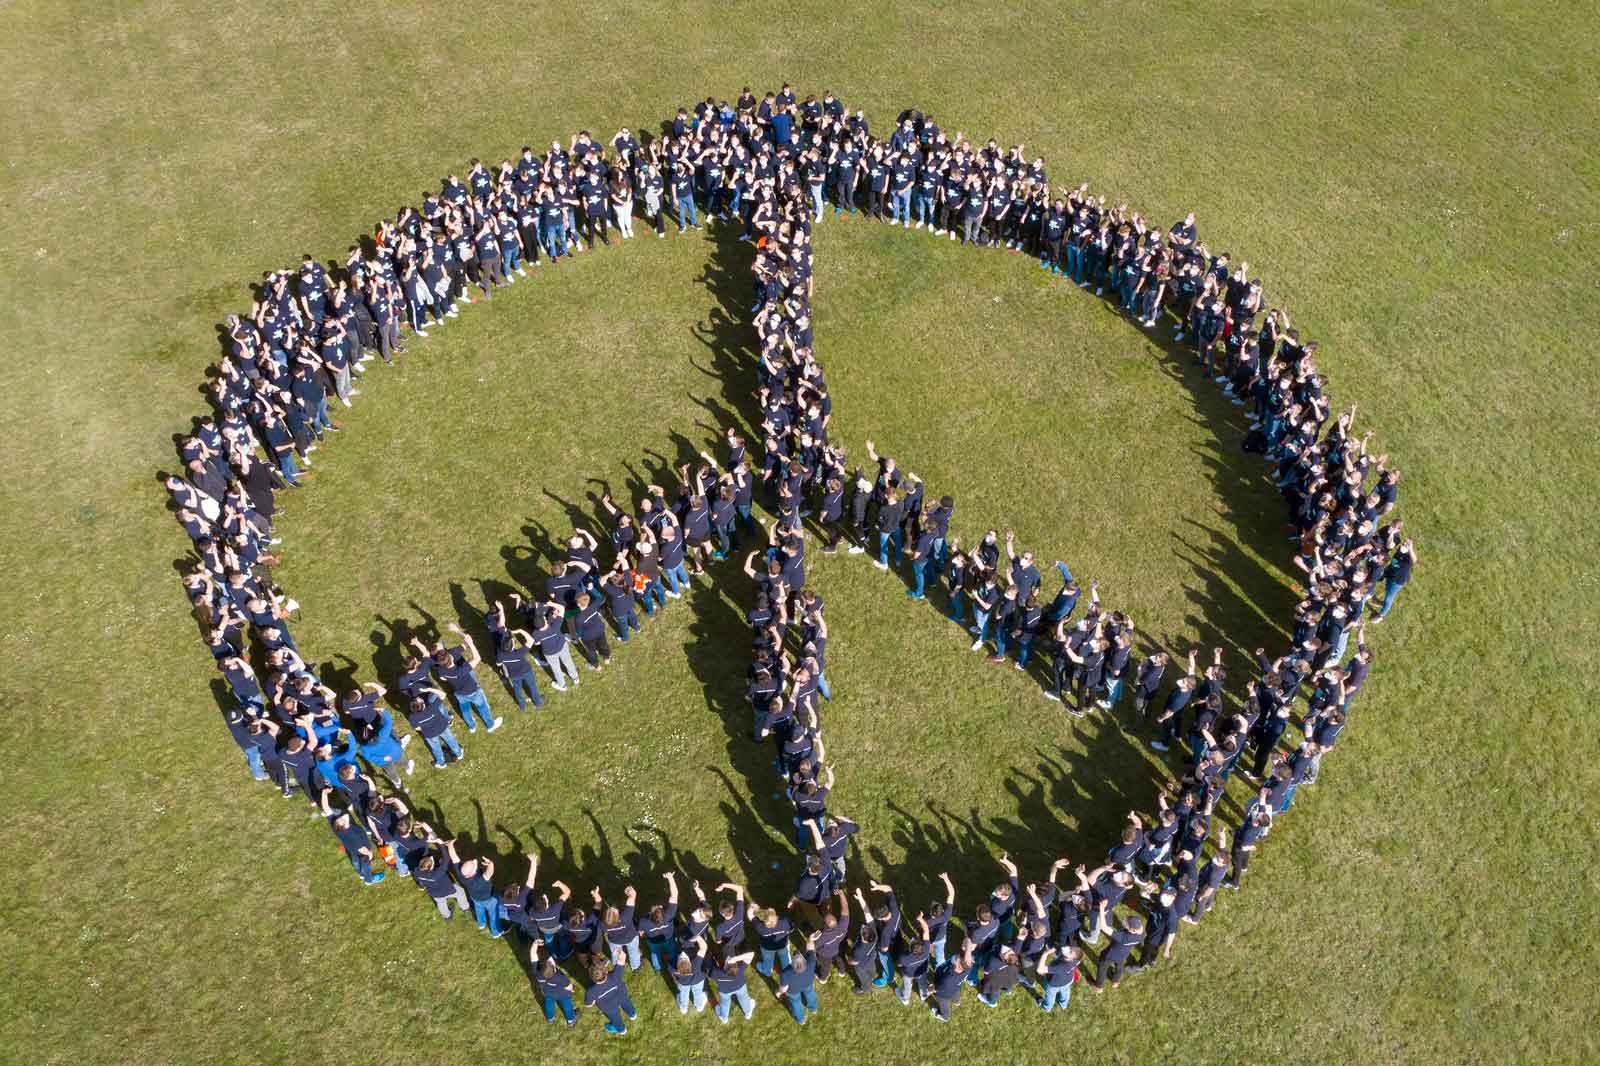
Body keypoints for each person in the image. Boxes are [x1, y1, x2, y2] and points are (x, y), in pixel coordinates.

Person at [529, 939, 579, 1026]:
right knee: (567, 1006)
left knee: (549, 1005)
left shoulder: (537, 972)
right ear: (554, 969)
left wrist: (534, 944)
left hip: (548, 993)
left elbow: (533, 955)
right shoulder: (560, 977)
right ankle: (571, 1020)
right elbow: (568, 987)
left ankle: (550, 1018)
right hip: (563, 994)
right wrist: (573, 988)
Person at [584, 959, 638, 1036]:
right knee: (627, 1004)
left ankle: (622, 1030)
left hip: (609, 1007)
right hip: (622, 996)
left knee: (615, 1018)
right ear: (606, 971)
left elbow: (588, 1005)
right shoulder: (615, 975)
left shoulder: (591, 991)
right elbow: (622, 960)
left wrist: (593, 1001)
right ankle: (632, 1015)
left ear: (591, 978)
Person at [777, 938, 820, 1025]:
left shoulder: (786, 973)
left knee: (796, 1003)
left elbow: (784, 988)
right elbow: (811, 948)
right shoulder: (811, 961)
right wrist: (810, 939)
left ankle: (801, 1019)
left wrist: (779, 992)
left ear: (792, 965)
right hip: (808, 983)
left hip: (794, 990)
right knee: (810, 993)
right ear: (804, 961)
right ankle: (813, 1008)